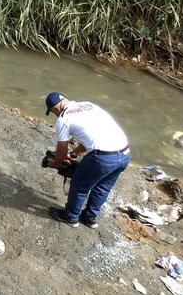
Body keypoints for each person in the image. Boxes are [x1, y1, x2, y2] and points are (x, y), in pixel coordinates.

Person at [43, 92, 130, 228]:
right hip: (124, 154)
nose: (55, 114)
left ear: (55, 109)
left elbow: (61, 151)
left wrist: (53, 164)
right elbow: (95, 133)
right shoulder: (88, 105)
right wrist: (74, 153)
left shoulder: (63, 119)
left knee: (79, 185)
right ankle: (90, 217)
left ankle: (70, 217)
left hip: (103, 157)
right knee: (102, 187)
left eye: (53, 112)